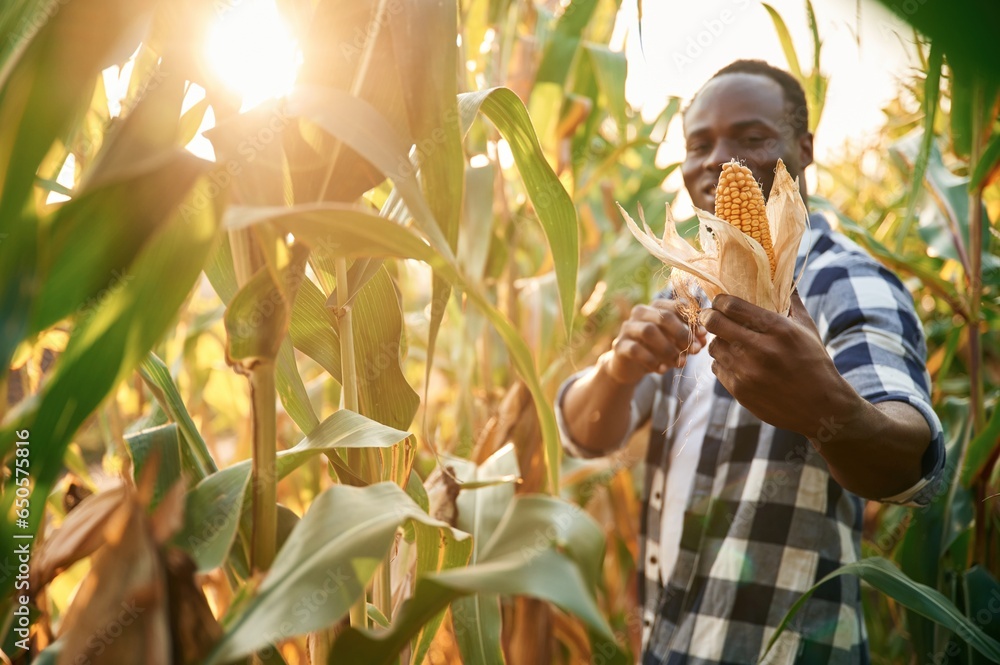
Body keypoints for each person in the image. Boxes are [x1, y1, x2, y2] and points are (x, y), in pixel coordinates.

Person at [556, 60, 945, 664]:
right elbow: (585, 436)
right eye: (699, 144)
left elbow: (908, 462)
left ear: (803, 149)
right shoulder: (685, 292)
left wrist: (827, 408)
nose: (719, 159)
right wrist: (616, 369)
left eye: (752, 137)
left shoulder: (848, 282)